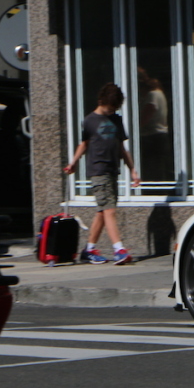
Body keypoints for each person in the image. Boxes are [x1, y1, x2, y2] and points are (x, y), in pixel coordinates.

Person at [64, 82, 141, 265]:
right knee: (109, 210)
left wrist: (132, 169)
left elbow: (122, 148)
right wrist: (73, 162)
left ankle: (89, 250)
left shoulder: (117, 119)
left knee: (102, 211)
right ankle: (119, 249)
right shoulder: (90, 120)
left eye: (114, 109)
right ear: (101, 101)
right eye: (108, 108)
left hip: (113, 170)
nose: (111, 112)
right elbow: (84, 144)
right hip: (98, 170)